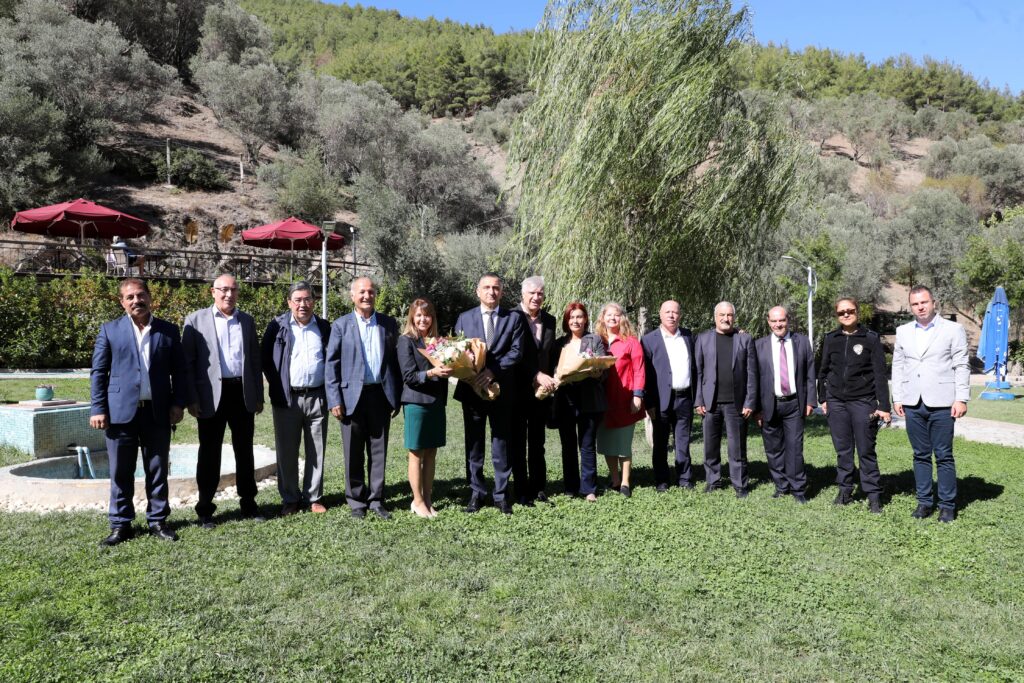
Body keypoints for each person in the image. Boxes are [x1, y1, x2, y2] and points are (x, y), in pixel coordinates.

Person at [89, 278, 186, 546]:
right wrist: (98, 408)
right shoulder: (110, 330)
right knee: (121, 471)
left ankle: (158, 521)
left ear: (150, 297)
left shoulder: (168, 331)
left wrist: (178, 403)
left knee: (157, 470)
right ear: (121, 302)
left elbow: (180, 371)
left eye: (141, 295)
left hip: (157, 412)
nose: (136, 301)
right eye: (130, 297)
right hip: (120, 413)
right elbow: (99, 372)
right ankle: (120, 524)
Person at [182, 274, 265, 528]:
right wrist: (191, 399)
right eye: (223, 290)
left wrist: (258, 395)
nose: (229, 294)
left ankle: (248, 503)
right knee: (209, 452)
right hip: (210, 396)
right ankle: (205, 509)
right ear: (213, 292)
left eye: (233, 290)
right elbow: (187, 364)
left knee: (245, 450)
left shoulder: (247, 321)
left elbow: (254, 360)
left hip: (241, 393)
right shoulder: (195, 321)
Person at [326, 277, 402, 520]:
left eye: (371, 291)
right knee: (353, 451)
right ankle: (357, 501)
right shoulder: (340, 325)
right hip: (350, 397)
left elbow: (395, 362)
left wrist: (396, 396)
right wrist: (334, 399)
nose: (367, 296)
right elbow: (331, 364)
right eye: (362, 292)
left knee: (378, 451)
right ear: (352, 296)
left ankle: (376, 500)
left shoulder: (388, 324)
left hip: (380, 395)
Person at [892, 285, 970, 522]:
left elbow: (961, 365)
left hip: (943, 402)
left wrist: (961, 398)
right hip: (913, 402)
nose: (920, 307)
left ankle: (947, 505)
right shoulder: (903, 331)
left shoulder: (953, 329)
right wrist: (897, 397)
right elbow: (898, 365)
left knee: (944, 455)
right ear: (911, 306)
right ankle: (924, 502)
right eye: (915, 304)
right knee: (920, 455)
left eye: (924, 302)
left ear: (934, 303)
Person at [453, 273, 525, 514]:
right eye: (486, 287)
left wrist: (492, 372)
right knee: (474, 443)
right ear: (478, 291)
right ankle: (477, 492)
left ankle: (501, 494)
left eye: (495, 288)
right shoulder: (464, 318)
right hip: (472, 391)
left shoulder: (514, 318)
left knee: (501, 442)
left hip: (502, 390)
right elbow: (457, 350)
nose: (491, 292)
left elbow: (516, 351)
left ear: (501, 292)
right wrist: (471, 369)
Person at [261, 282, 332, 516]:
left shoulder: (323, 327)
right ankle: (290, 498)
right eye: (298, 300)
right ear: (289, 302)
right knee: (287, 451)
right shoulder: (277, 327)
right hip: (287, 398)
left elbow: (332, 359)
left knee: (316, 450)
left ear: (314, 301)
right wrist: (277, 385)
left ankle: (314, 497)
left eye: (307, 299)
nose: (303, 304)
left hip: (317, 396)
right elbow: (265, 359)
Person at [818, 297, 891, 513]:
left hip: (863, 402)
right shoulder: (831, 338)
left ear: (857, 312)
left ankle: (873, 495)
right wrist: (823, 398)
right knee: (843, 450)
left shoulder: (870, 338)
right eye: (841, 312)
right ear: (837, 316)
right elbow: (823, 370)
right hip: (836, 403)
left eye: (850, 310)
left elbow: (880, 374)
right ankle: (845, 491)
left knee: (866, 450)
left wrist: (883, 406)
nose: (846, 314)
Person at [694, 301, 758, 497]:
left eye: (729, 315)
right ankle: (713, 481)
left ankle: (740, 484)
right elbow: (698, 372)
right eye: (722, 315)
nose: (725, 318)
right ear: (715, 317)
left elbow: (752, 373)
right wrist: (699, 400)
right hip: (710, 403)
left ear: (734, 317)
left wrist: (749, 402)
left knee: (737, 447)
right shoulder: (703, 339)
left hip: (736, 404)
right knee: (710, 446)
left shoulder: (745, 339)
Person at [754, 306, 816, 503]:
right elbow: (753, 379)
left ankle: (798, 489)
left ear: (788, 320)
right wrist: (756, 409)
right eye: (774, 321)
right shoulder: (759, 345)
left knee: (795, 448)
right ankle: (781, 486)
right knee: (773, 449)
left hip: (794, 404)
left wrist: (810, 401)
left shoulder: (802, 342)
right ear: (768, 322)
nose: (778, 324)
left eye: (781, 320)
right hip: (769, 404)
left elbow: (810, 372)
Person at [397, 298, 452, 518]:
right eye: (418, 315)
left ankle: (428, 499)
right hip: (416, 403)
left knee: (431, 452)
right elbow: (409, 376)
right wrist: (432, 373)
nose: (423, 319)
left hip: (436, 403)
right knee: (416, 452)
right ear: (412, 317)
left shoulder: (438, 342)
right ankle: (417, 501)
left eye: (427, 315)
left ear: (432, 318)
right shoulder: (406, 341)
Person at [509, 275, 558, 504]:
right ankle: (520, 490)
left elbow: (548, 354)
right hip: (517, 389)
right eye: (532, 293)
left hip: (541, 393)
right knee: (518, 442)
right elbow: (512, 354)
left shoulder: (550, 320)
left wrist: (556, 376)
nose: (536, 297)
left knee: (538, 442)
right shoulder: (510, 316)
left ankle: (538, 487)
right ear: (523, 294)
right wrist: (535, 374)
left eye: (540, 293)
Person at [552, 302, 608, 501]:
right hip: (565, 400)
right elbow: (553, 369)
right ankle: (570, 487)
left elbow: (604, 367)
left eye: (579, 317)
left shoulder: (595, 340)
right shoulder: (559, 343)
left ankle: (589, 489)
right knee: (568, 445)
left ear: (585, 319)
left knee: (587, 445)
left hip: (589, 399)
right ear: (566, 321)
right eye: (571, 317)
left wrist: (597, 372)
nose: (575, 321)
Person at [642, 299, 697, 491]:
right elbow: (646, 375)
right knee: (660, 442)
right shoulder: (649, 340)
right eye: (667, 312)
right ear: (660, 314)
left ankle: (685, 479)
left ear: (680, 315)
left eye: (675, 312)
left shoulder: (688, 336)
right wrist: (648, 403)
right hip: (660, 400)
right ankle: (662, 480)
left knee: (683, 442)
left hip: (684, 398)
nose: (672, 316)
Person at [594, 302, 645, 497]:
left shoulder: (631, 342)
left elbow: (639, 370)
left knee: (623, 444)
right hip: (602, 401)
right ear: (603, 318)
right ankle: (614, 479)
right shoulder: (597, 341)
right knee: (607, 442)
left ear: (622, 318)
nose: (612, 318)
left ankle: (625, 482)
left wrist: (637, 395)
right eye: (608, 315)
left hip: (624, 400)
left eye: (616, 315)